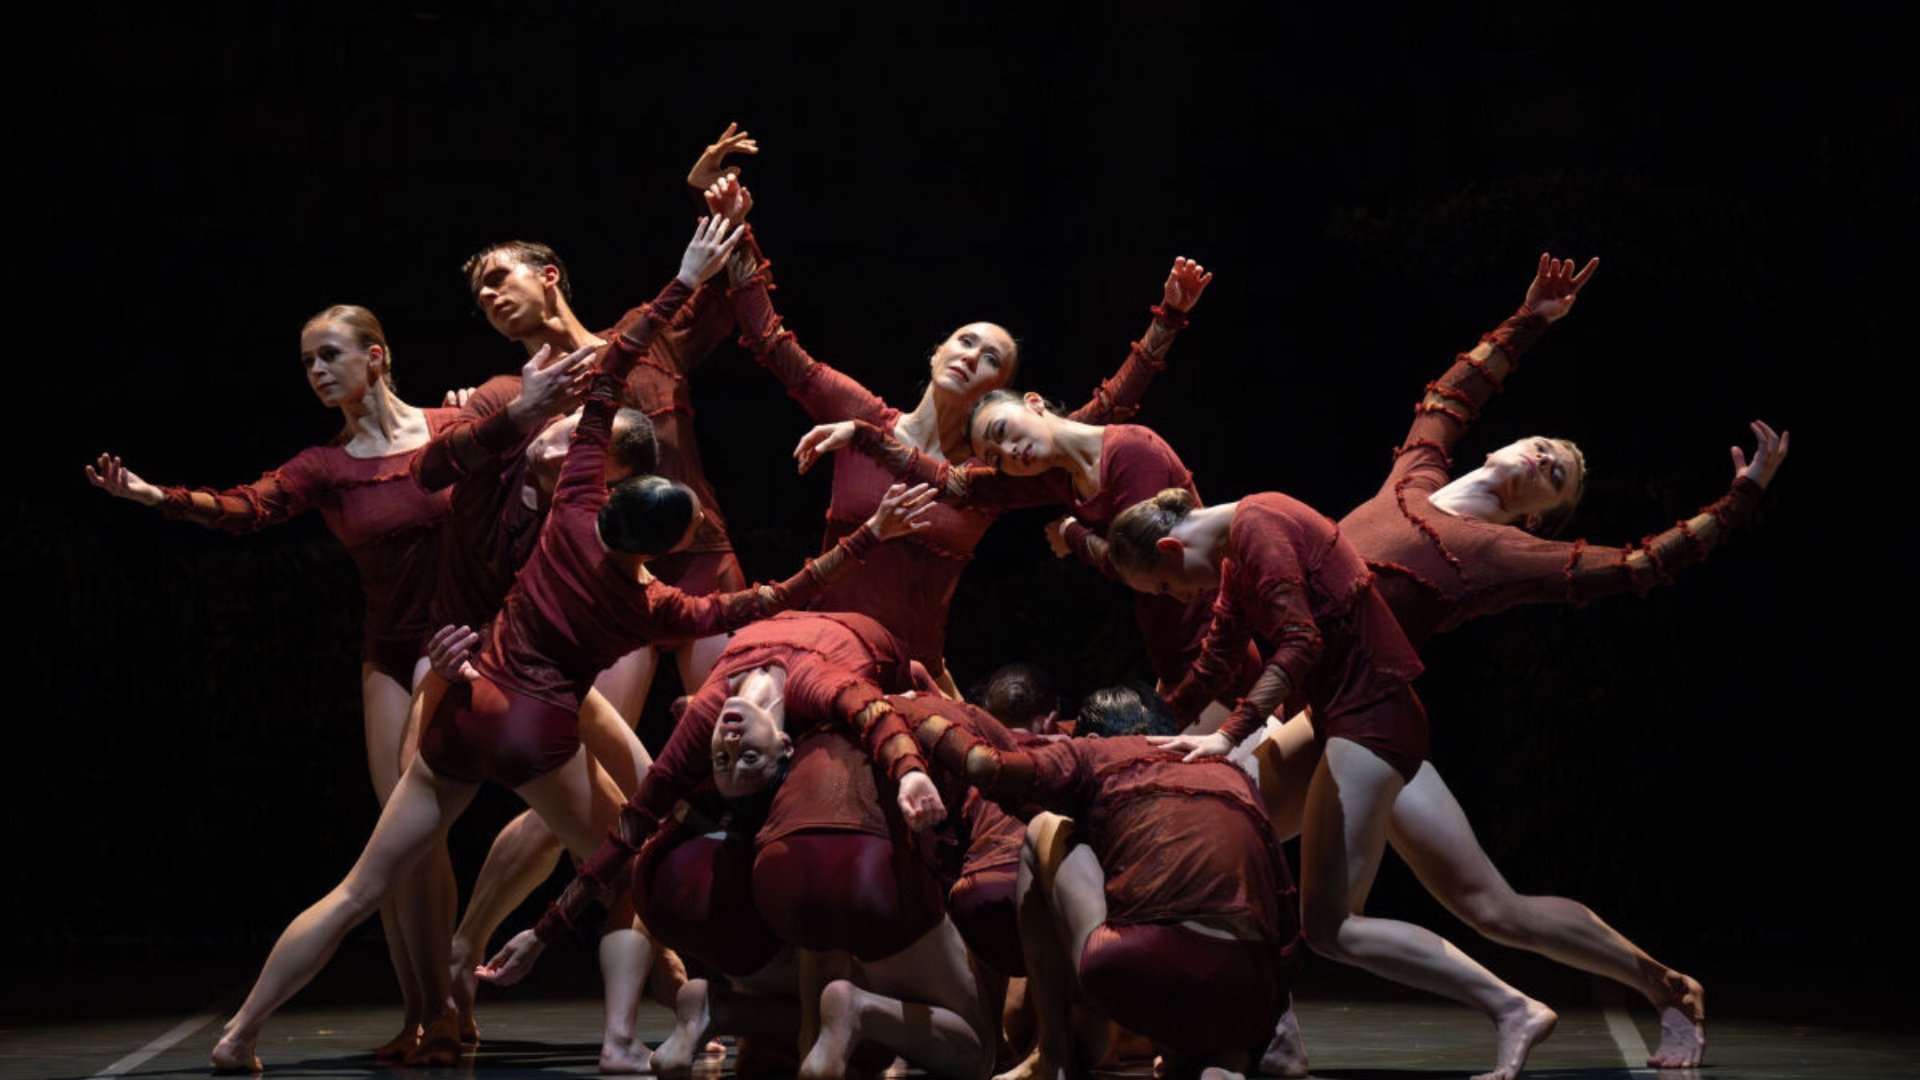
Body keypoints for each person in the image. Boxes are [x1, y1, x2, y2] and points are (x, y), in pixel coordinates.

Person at [207, 216, 931, 1075]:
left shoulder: (567, 522)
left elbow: (609, 380)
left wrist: (681, 280)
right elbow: (774, 596)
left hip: (473, 704)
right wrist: (869, 534)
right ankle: (641, 1026)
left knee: (358, 888)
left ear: (601, 478)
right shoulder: (655, 604)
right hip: (537, 727)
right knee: (626, 859)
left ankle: (240, 1031)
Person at [86, 303, 461, 1060]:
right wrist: (159, 498)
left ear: (377, 357)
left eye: (329, 355)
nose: (317, 371)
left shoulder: (451, 433)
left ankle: (447, 1009)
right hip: (389, 651)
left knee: (424, 835)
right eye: (307, 363)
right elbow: (248, 508)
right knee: (400, 837)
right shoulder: (324, 465)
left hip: (454, 642)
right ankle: (424, 1012)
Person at [1108, 490, 1559, 1080]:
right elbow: (1217, 657)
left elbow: (1302, 642)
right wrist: (1143, 735)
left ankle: (1513, 1007)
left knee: (1333, 927)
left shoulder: (1259, 527)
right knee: (1242, 815)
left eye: (1166, 586)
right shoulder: (1235, 555)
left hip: (1373, 715)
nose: (1178, 596)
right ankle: (1246, 1031)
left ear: (1171, 547)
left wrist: (1229, 734)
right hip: (1338, 716)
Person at [727, 187, 1210, 692]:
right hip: (828, 651)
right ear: (936, 353)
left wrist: (1168, 320)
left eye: (990, 358)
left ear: (1003, 397)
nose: (970, 356)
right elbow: (774, 346)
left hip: (914, 673)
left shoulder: (1002, 474)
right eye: (964, 341)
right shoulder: (866, 417)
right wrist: (737, 229)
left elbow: (1102, 416)